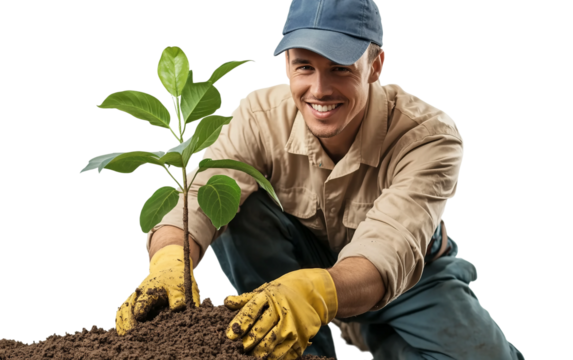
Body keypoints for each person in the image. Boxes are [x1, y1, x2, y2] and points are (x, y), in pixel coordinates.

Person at [114, 1, 527, 359]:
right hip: (294, 268)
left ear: (376, 65)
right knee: (229, 202)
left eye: (340, 69)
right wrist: (170, 260)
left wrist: (317, 293)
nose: (319, 89)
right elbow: (203, 193)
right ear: (286, 64)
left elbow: (390, 247)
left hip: (411, 281)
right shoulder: (259, 116)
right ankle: (299, 351)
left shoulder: (428, 136)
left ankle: (382, 336)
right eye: (304, 67)